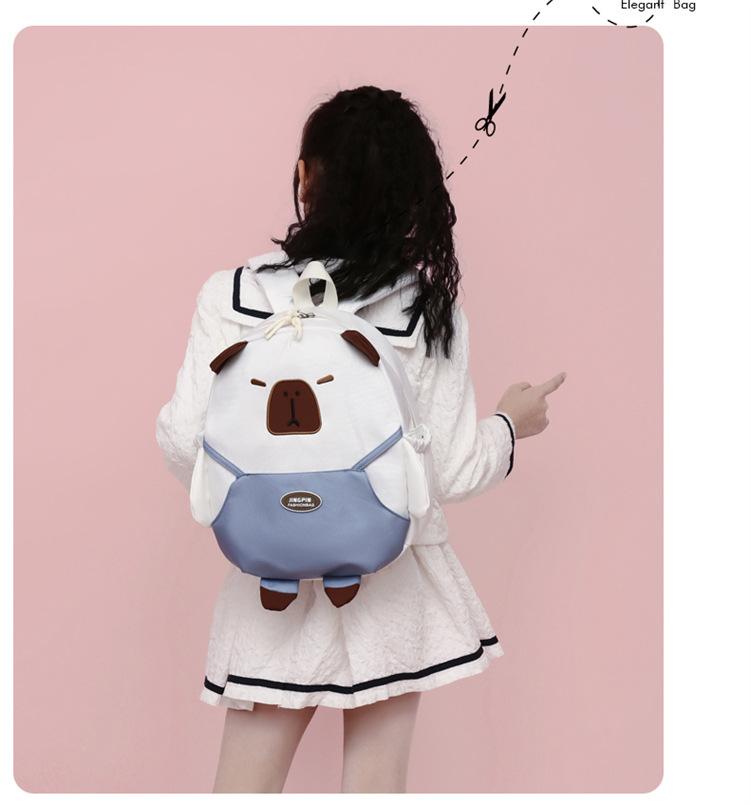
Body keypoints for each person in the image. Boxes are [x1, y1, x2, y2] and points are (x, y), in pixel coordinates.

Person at [155, 85, 565, 793]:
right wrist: (510, 423)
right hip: (391, 580)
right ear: (410, 198)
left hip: (268, 575)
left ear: (305, 176)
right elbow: (453, 471)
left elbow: (182, 442)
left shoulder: (232, 295)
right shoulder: (425, 308)